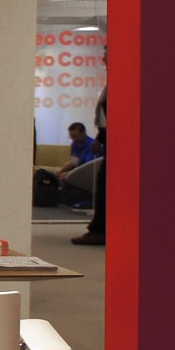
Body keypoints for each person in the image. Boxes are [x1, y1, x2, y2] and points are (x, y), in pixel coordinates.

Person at [72, 47, 108, 246]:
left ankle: (100, 229)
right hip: (108, 138)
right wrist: (100, 137)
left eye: (106, 53)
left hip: (117, 140)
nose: (103, 58)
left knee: (105, 185)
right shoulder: (111, 82)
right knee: (102, 185)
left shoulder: (122, 80)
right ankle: (98, 228)